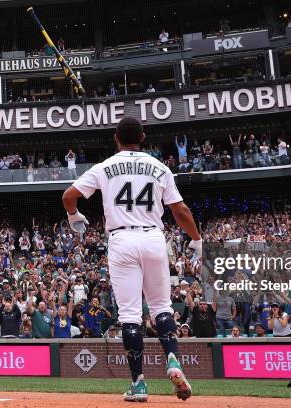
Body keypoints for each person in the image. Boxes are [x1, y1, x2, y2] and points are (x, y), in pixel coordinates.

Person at [62, 117, 200, 402]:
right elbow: (181, 210)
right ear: (143, 136)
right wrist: (196, 239)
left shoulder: (104, 167)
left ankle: (138, 383)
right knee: (162, 307)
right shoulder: (160, 167)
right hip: (152, 237)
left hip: (121, 240)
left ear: (116, 138)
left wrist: (74, 215)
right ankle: (172, 358)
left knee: (129, 316)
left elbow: (68, 196)